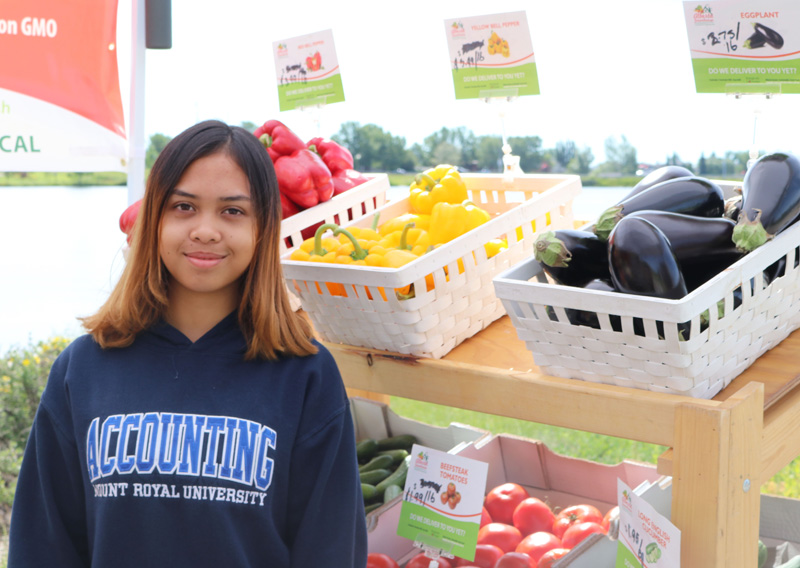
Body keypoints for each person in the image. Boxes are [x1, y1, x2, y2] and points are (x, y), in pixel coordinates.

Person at [7, 120, 368, 567]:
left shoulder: (306, 376)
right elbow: (42, 545)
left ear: (263, 230)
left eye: (233, 211)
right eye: (184, 207)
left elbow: (330, 550)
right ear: (154, 219)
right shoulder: (83, 370)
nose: (205, 230)